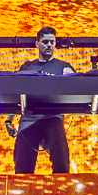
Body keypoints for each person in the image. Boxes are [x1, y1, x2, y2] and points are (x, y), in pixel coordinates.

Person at [12, 25, 75, 174]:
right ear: (37, 43)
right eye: (45, 42)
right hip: (29, 118)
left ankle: (61, 187)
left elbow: (76, 89)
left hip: (52, 117)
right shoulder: (26, 67)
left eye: (52, 42)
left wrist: (72, 77)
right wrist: (9, 120)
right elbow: (15, 94)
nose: (49, 45)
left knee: (61, 163)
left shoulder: (63, 67)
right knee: (22, 168)